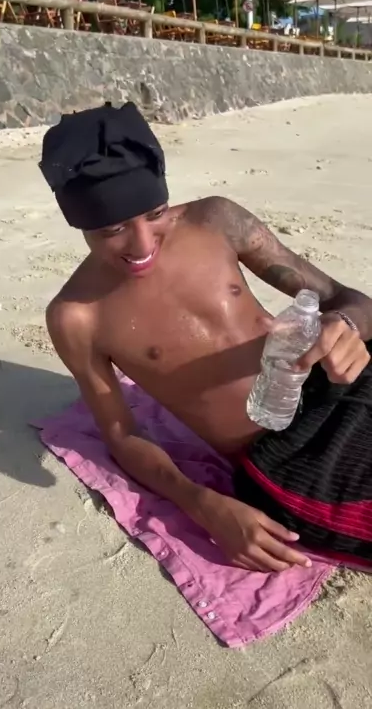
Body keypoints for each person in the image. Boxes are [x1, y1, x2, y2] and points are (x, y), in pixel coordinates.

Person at [40, 103, 372, 573]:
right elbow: (121, 433)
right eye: (114, 229)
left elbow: (345, 298)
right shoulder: (77, 316)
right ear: (79, 222)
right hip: (289, 452)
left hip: (344, 380)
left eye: (155, 213)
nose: (143, 244)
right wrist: (201, 503)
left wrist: (349, 326)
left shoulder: (216, 221)